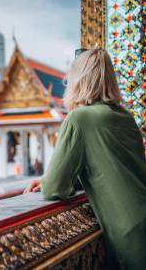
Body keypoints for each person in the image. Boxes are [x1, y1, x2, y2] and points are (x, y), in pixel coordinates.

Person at [24, 49, 146, 270]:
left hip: (131, 236)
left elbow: (54, 188)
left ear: (78, 80)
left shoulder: (79, 119)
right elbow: (109, 167)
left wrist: (50, 180)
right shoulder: (125, 116)